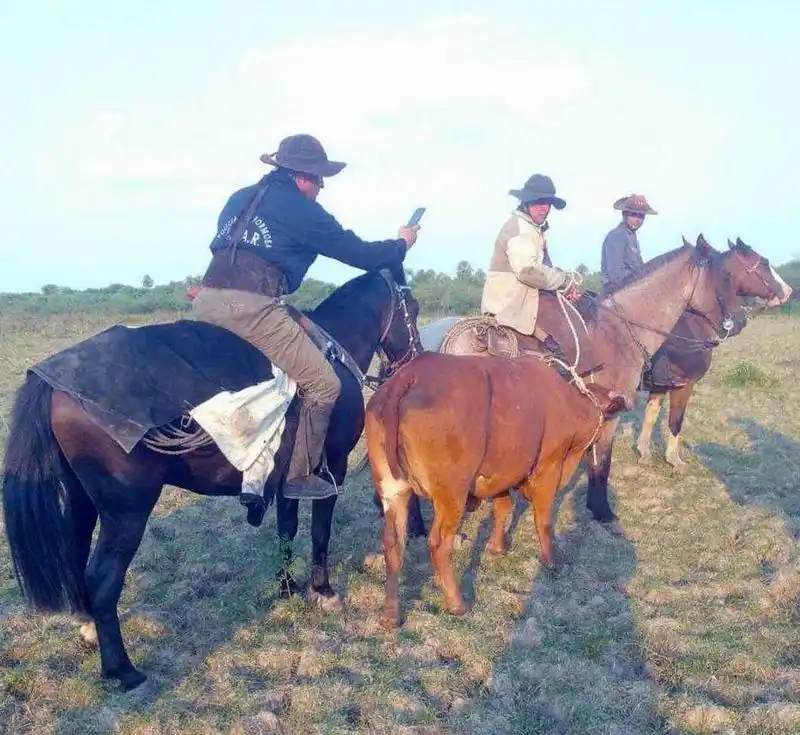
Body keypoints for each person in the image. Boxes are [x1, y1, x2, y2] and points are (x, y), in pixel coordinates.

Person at [192, 134, 420, 504]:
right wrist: (401, 245)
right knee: (324, 385)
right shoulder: (300, 208)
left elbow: (225, 248)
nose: (319, 188)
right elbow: (358, 253)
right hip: (251, 307)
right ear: (303, 177)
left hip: (205, 300)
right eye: (319, 180)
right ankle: (299, 475)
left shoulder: (239, 197)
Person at [481, 173, 581, 358]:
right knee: (562, 352)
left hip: (524, 304)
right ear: (526, 203)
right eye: (538, 202)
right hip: (509, 310)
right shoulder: (521, 229)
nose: (544, 208)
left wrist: (565, 286)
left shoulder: (531, 228)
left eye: (548, 203)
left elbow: (542, 269)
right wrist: (563, 281)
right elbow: (528, 271)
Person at [600, 193, 657, 292]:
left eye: (641, 216)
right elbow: (615, 276)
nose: (638, 220)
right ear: (625, 214)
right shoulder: (617, 236)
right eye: (634, 214)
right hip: (616, 294)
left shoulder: (632, 238)